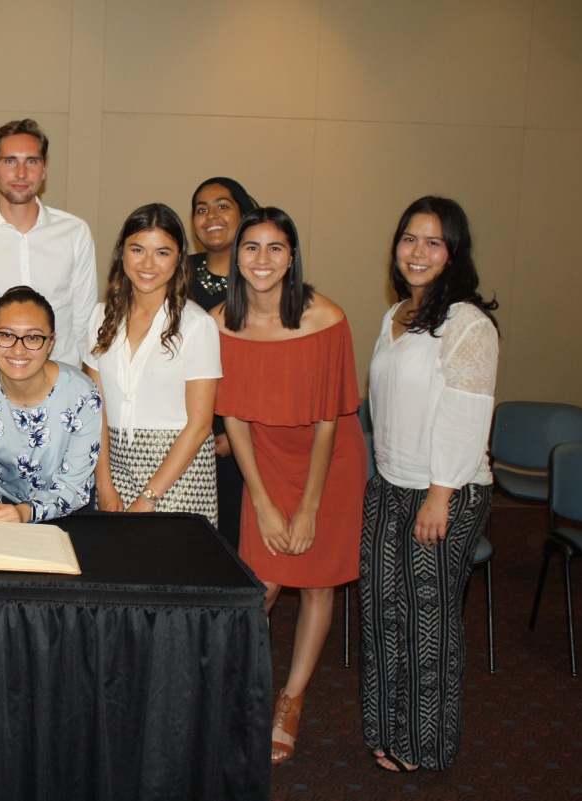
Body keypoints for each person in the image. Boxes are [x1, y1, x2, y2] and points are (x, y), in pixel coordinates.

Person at [210, 207, 366, 765]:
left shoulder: (326, 318)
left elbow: (330, 420)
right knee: (264, 584)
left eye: (276, 248)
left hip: (330, 460)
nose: (262, 260)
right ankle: (235, 694)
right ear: (236, 255)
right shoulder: (220, 322)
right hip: (265, 458)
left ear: (292, 256)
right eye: (251, 247)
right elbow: (233, 419)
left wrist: (308, 509)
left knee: (318, 583)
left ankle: (292, 702)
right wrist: (265, 500)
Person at [360, 197, 499, 773]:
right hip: (390, 483)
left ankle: (425, 743)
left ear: (454, 253)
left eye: (434, 242)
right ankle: (386, 731)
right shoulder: (395, 315)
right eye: (409, 239)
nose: (418, 252)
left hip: (443, 491)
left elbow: (466, 416)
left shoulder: (466, 322)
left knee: (429, 622)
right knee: (380, 612)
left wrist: (439, 494)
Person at [85, 204, 221, 521]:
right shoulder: (100, 316)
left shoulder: (197, 325)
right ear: (122, 253)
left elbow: (200, 425)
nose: (148, 264)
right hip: (115, 468)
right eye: (137, 249)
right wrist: (104, 484)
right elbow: (96, 408)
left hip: (179, 474)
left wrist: (149, 497)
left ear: (178, 258)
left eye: (162, 252)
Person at [0, 119, 98, 364]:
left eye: (31, 161)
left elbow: (84, 320)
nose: (21, 173)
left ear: (44, 170)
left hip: (60, 381)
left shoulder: (75, 232)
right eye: (10, 161)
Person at [0, 286, 103, 523]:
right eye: (6, 335)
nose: (18, 349)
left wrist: (26, 512)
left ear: (50, 343)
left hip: (65, 513)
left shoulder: (82, 396)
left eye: (33, 337)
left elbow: (73, 486)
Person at [188, 178, 259, 547]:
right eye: (201, 208)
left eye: (222, 205)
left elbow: (269, 366)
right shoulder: (175, 273)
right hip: (180, 431)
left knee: (232, 544)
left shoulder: (260, 276)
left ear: (244, 213)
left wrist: (238, 432)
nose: (210, 215)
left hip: (239, 436)